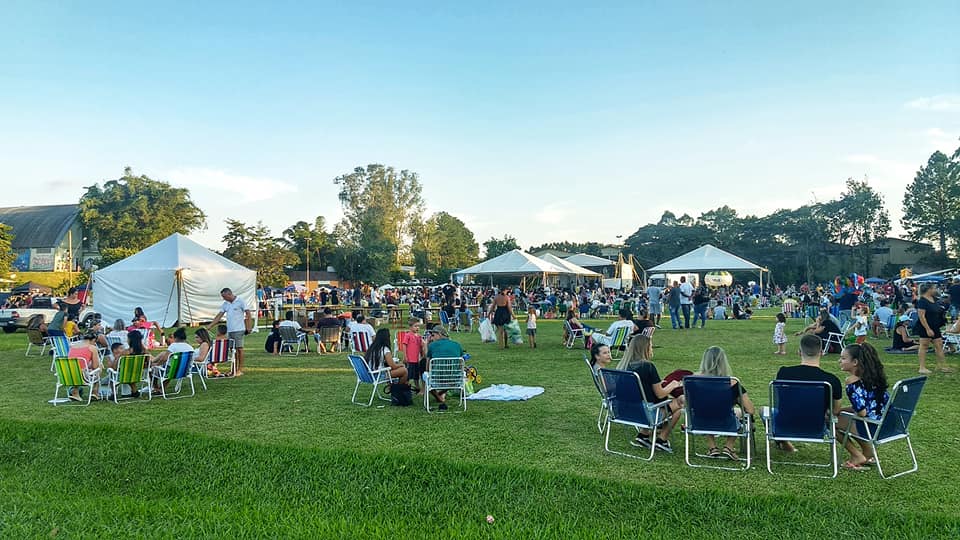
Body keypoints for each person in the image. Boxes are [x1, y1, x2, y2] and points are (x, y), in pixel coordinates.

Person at [773, 334, 843, 452]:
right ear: (821, 352)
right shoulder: (831, 380)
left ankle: (784, 442)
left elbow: (781, 401)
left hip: (784, 425)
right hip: (816, 427)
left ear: (800, 352)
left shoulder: (784, 373)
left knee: (764, 411)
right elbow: (835, 411)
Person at [836, 343, 889, 470]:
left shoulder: (852, 381)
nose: (839, 361)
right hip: (886, 424)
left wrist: (836, 412)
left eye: (843, 358)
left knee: (829, 420)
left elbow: (862, 413)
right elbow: (869, 406)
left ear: (855, 362)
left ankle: (857, 455)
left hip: (870, 426)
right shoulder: (874, 377)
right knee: (841, 415)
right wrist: (842, 410)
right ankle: (868, 453)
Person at [697, 346, 755, 460]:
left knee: (707, 411)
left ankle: (712, 447)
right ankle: (729, 446)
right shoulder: (732, 383)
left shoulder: (693, 381)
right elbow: (750, 410)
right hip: (725, 421)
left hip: (700, 421)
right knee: (739, 414)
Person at [626, 341, 684, 453]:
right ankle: (662, 440)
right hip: (647, 415)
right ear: (646, 349)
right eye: (651, 346)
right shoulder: (648, 366)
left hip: (629, 413)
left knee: (658, 403)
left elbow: (643, 387)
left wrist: (657, 383)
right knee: (679, 403)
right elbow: (660, 394)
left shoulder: (625, 366)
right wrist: (673, 385)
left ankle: (643, 434)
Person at [208, 288, 252, 376]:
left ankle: (240, 369)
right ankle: (233, 369)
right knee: (232, 350)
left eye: (224, 296)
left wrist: (249, 327)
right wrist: (210, 325)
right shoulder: (225, 304)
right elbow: (219, 316)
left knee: (239, 349)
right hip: (230, 330)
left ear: (229, 294)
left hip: (239, 329)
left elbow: (248, 314)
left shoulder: (240, 301)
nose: (223, 299)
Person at [916, 282, 953, 374]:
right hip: (925, 326)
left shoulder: (934, 299)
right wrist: (928, 329)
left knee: (939, 345)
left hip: (935, 326)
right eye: (933, 288)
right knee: (924, 345)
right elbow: (921, 316)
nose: (935, 290)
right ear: (929, 289)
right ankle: (922, 367)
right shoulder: (922, 301)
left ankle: (943, 366)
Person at [425, 326, 464, 411]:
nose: (431, 337)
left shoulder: (432, 346)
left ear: (439, 334)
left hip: (436, 379)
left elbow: (427, 366)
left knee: (425, 377)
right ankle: (440, 395)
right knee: (449, 374)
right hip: (455, 380)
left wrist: (427, 344)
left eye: (433, 335)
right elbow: (461, 364)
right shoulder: (457, 345)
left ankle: (438, 397)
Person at [65, 329, 102, 401]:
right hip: (83, 377)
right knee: (99, 367)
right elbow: (95, 367)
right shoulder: (92, 348)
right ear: (93, 339)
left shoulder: (72, 346)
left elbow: (78, 362)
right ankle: (95, 392)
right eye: (95, 342)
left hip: (68, 375)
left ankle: (75, 391)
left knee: (78, 369)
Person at [400, 318, 425, 394]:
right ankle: (405, 387)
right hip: (410, 359)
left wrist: (422, 354)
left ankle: (417, 387)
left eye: (418, 326)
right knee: (408, 374)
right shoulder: (408, 335)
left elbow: (420, 347)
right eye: (415, 326)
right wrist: (405, 356)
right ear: (410, 327)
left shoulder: (419, 336)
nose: (417, 328)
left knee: (416, 375)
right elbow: (404, 345)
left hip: (417, 359)